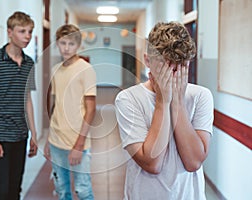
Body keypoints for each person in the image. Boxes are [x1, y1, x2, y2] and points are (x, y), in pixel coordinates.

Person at [115, 21, 214, 199]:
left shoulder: (201, 96)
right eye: (166, 67)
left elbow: (193, 162)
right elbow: (152, 163)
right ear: (147, 61)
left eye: (179, 67)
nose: (173, 75)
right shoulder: (128, 99)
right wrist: (163, 101)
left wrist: (177, 104)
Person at [0, 11, 38, 200]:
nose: (27, 36)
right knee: (0, 192)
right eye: (22, 31)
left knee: (14, 190)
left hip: (20, 134)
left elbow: (27, 99)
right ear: (10, 32)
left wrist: (34, 134)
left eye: (30, 32)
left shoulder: (29, 63)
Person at [45, 24, 96, 200]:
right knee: (62, 190)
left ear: (79, 45)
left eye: (71, 44)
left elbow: (91, 109)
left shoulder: (85, 69)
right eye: (62, 43)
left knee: (83, 190)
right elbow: (55, 106)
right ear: (57, 44)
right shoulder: (55, 70)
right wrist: (48, 140)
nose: (66, 48)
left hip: (77, 141)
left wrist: (79, 145)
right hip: (56, 141)